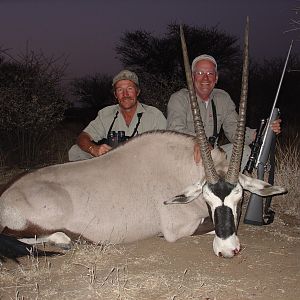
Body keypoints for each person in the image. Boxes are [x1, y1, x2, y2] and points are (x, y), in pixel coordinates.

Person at [167, 54, 281, 169]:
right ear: (192, 77)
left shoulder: (223, 98)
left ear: (216, 78)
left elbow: (234, 131)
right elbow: (174, 130)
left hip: (213, 155)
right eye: (200, 73)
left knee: (243, 151)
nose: (205, 78)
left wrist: (260, 133)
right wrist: (197, 141)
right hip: (186, 157)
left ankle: (226, 185)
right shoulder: (179, 98)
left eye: (210, 73)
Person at [69, 70, 167, 161]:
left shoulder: (155, 115)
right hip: (113, 163)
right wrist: (94, 149)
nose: (125, 94)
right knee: (76, 151)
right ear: (115, 94)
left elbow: (166, 146)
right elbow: (82, 137)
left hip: (143, 163)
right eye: (120, 90)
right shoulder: (105, 114)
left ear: (137, 92)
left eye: (130, 88)